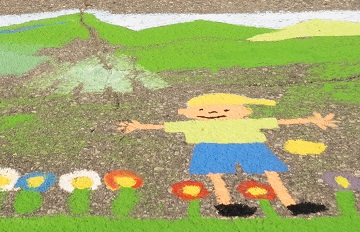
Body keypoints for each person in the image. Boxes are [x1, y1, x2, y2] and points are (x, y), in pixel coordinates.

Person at [118, 93, 335, 217]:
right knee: (217, 174)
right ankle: (227, 205)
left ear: (243, 112)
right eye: (203, 112)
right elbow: (167, 127)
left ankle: (291, 204)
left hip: (250, 145)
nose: (213, 113)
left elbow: (278, 122)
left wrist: (311, 120)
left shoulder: (249, 123)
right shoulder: (193, 126)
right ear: (193, 115)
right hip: (212, 147)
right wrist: (140, 126)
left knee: (271, 172)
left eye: (225, 110)